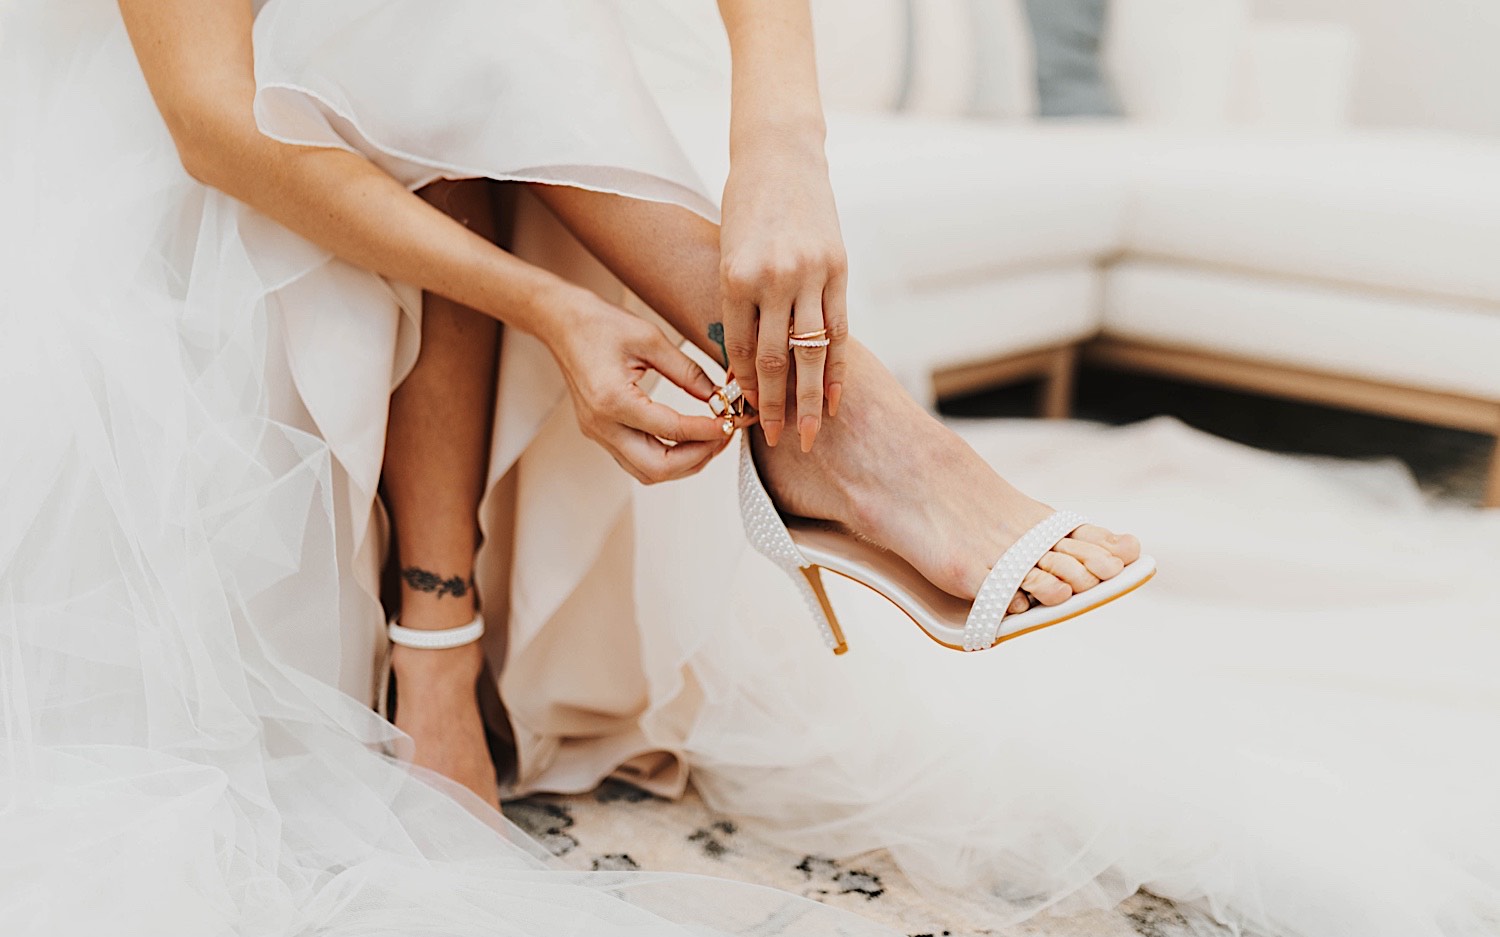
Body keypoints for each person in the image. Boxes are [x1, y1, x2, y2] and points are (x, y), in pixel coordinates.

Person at [0, 0, 1139, 932]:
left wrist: (782, 150)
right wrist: (550, 311)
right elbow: (209, 117)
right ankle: (835, 419)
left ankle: (453, 639)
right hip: (213, 149)